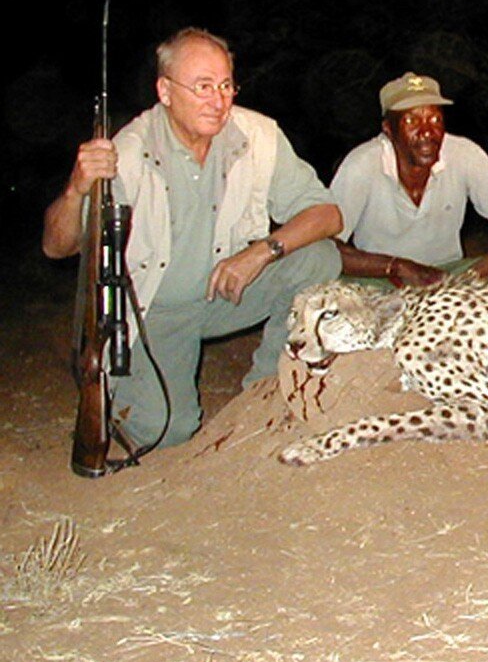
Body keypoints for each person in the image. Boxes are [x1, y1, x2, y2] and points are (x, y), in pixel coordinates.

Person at [42, 27, 342, 450]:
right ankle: (127, 396)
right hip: (155, 313)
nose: (218, 101)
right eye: (202, 87)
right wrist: (76, 188)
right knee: (166, 432)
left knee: (318, 258)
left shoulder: (257, 136)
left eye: (225, 85)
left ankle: (264, 391)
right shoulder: (127, 152)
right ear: (165, 91)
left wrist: (261, 252)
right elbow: (57, 246)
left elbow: (327, 214)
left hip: (227, 291)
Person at [330, 71, 488, 296]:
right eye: (411, 121)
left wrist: (469, 280)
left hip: (447, 275)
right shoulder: (361, 165)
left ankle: (458, 312)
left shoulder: (464, 153)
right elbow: (327, 247)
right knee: (323, 282)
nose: (426, 131)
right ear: (388, 129)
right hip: (385, 283)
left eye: (435, 119)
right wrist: (398, 267)